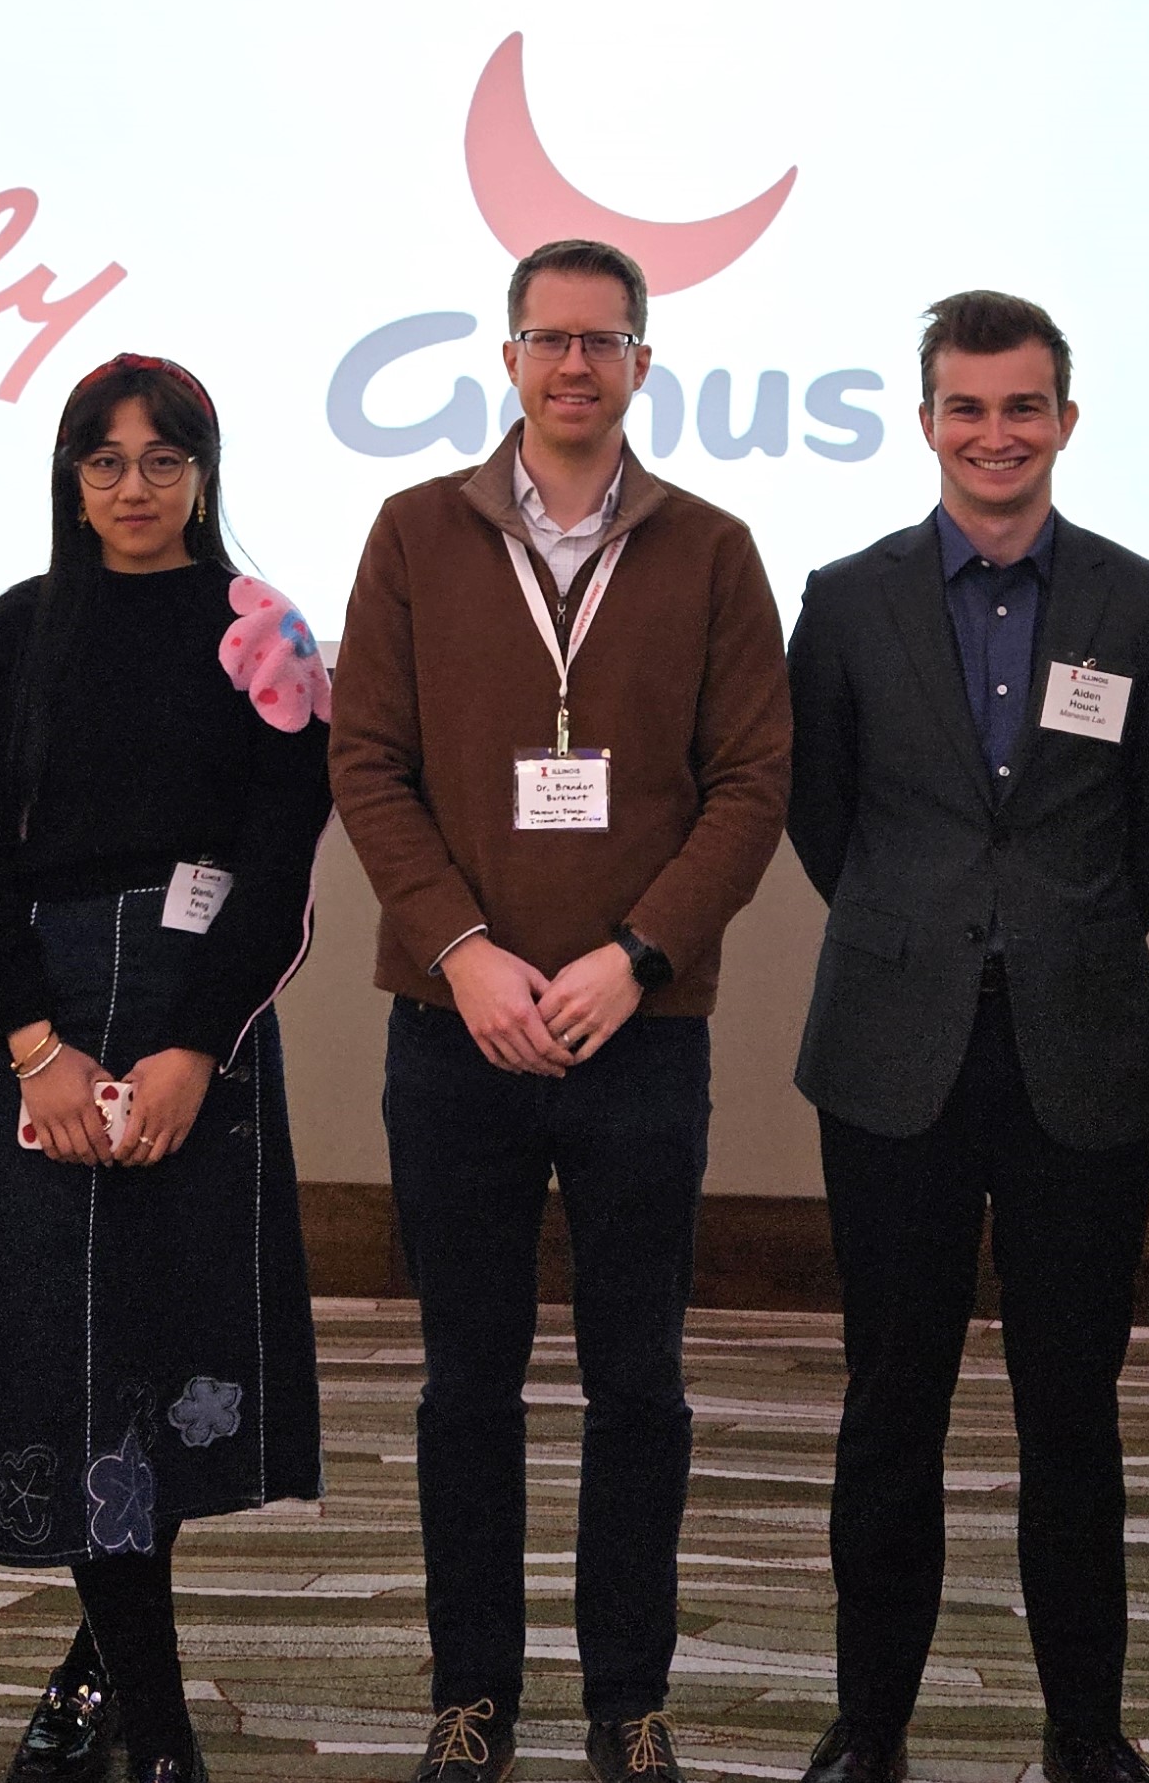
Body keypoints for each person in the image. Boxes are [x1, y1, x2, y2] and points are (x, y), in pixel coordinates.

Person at [331, 236, 794, 1783]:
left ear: (645, 365)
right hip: (451, 1024)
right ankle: (471, 1692)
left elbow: (752, 783)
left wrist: (634, 955)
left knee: (636, 1384)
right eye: (549, 338)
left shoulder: (715, 547)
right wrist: (461, 949)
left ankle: (628, 1697)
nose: (575, 364)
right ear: (508, 359)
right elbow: (367, 765)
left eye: (605, 341)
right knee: (466, 1380)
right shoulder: (412, 532)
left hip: (637, 1032)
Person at [785, 291, 1149, 1783]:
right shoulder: (842, 599)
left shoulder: (1144, 604)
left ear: (1065, 422)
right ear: (924, 423)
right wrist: (932, 929)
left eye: (1020, 406)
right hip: (890, 1053)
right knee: (887, 1405)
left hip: (1079, 1056)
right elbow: (821, 819)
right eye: (964, 408)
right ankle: (873, 1723)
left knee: (1070, 1414)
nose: (993, 434)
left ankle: (1085, 1732)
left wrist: (1049, 929)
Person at [0, 354, 334, 1783]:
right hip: (45, 1034)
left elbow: (278, 876)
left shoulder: (262, 630)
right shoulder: (18, 629)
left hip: (199, 1032)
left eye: (163, 458)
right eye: (104, 458)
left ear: (204, 472)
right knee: (66, 1375)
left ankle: (100, 1665)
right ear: (68, 476)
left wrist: (195, 1045)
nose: (132, 486)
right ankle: (156, 1726)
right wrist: (35, 1049)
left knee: (164, 1370)